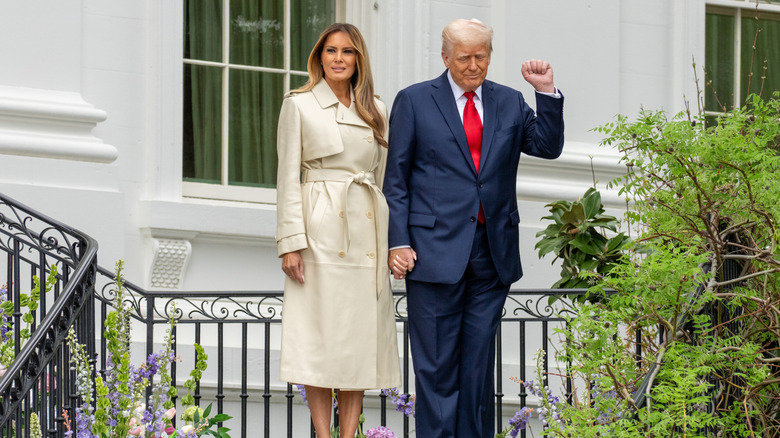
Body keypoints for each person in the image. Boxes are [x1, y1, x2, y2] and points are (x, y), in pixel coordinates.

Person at [383, 18, 565, 437]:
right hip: (431, 254)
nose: (473, 65)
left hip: (491, 255)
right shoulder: (414, 101)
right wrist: (398, 242)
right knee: (436, 369)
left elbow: (547, 146)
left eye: (481, 56)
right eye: (464, 57)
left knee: (478, 371)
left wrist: (545, 92)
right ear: (445, 57)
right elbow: (396, 180)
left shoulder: (509, 101)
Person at [275, 23, 401, 438]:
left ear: (358, 59)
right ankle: (323, 434)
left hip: (366, 232)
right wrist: (290, 243)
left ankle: (348, 434)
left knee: (356, 342)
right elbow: (286, 179)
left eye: (347, 51)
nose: (338, 58)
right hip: (319, 234)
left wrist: (389, 241)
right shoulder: (299, 104)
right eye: (331, 50)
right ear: (320, 57)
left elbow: (381, 178)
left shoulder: (376, 109)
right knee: (320, 339)